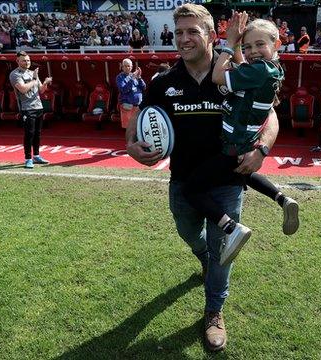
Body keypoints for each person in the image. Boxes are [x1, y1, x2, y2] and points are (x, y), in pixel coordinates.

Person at [126, 4, 280, 352]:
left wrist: (262, 150)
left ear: (211, 35)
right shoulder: (164, 81)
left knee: (223, 246)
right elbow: (138, 115)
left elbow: (269, 115)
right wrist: (131, 146)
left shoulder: (236, 70)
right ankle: (203, 256)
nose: (184, 38)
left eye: (192, 31)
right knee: (189, 233)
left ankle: (214, 310)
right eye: (179, 32)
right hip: (182, 180)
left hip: (226, 179)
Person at [193, 14, 299, 262]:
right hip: (245, 142)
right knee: (244, 173)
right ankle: (282, 199)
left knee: (191, 189)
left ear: (276, 44)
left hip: (233, 144)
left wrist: (230, 44)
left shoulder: (260, 71)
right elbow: (243, 68)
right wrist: (239, 47)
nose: (252, 51)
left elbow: (218, 77)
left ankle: (231, 228)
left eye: (260, 44)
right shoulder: (269, 69)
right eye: (248, 46)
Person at [9, 51, 52, 169]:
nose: (27, 62)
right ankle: (28, 158)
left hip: (38, 106)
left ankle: (36, 156)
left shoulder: (33, 73)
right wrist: (34, 79)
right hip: (26, 108)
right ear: (18, 61)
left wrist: (46, 83)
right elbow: (22, 89)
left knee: (37, 134)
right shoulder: (15, 74)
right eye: (24, 60)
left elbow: (41, 90)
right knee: (29, 134)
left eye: (28, 60)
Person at [116, 58, 145, 129]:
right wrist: (132, 79)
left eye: (129, 66)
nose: (127, 67)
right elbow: (124, 89)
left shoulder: (135, 75)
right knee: (129, 128)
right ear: (122, 67)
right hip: (127, 106)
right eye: (125, 66)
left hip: (137, 106)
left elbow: (143, 87)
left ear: (132, 67)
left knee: (138, 126)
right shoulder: (120, 77)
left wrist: (139, 78)